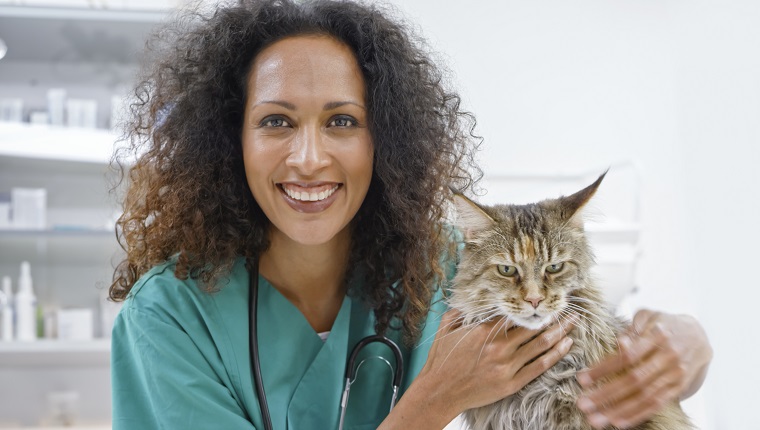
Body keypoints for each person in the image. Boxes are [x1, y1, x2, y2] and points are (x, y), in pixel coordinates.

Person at [109, 0, 712, 429]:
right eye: (276, 121)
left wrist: (684, 353)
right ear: (227, 139)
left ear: (387, 140)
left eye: (342, 121)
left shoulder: (445, 264)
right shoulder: (168, 318)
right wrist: (432, 402)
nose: (310, 157)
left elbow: (582, 357)